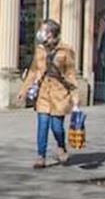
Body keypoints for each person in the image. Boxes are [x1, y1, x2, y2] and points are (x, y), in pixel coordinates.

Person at [17, 19, 80, 169]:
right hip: (44, 92)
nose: (40, 32)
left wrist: (75, 99)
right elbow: (33, 70)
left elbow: (71, 74)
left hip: (59, 94)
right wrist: (23, 90)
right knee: (43, 124)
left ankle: (61, 146)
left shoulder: (66, 50)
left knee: (57, 127)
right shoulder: (40, 49)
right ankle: (41, 156)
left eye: (43, 30)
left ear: (51, 33)